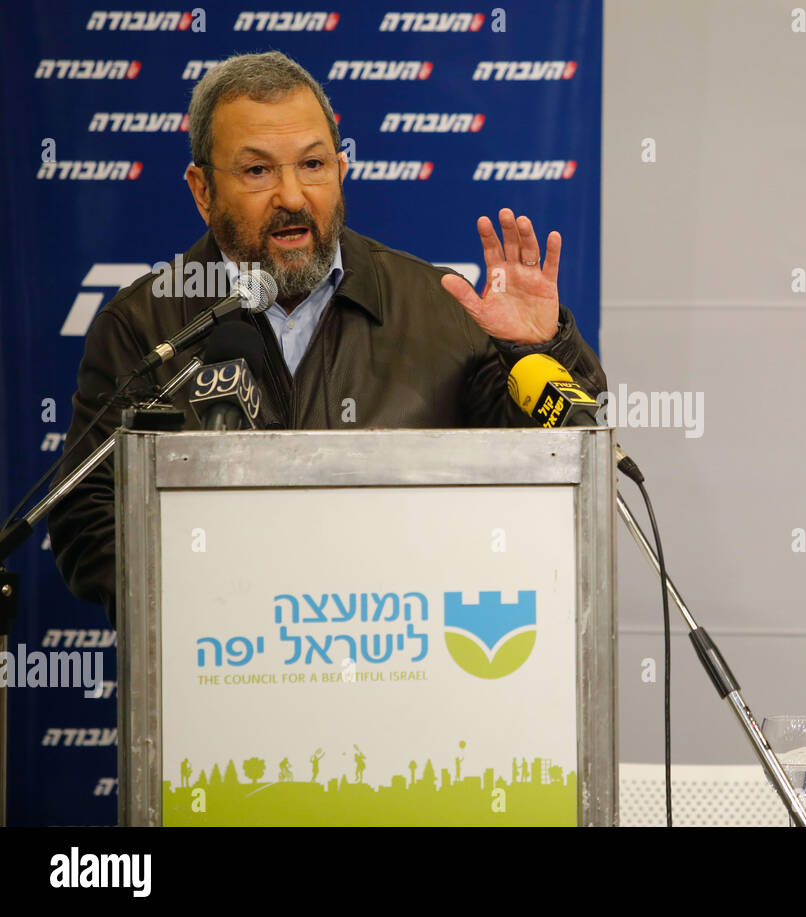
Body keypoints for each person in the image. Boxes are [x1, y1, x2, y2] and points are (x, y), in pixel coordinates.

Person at [47, 51, 606, 622]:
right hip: (222, 662)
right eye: (258, 171)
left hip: (401, 658)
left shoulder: (442, 308)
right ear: (202, 191)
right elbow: (87, 519)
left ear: (340, 170)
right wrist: (212, 600)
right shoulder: (145, 326)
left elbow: (562, 462)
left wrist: (540, 349)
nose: (292, 196)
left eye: (312, 164)